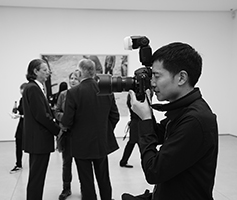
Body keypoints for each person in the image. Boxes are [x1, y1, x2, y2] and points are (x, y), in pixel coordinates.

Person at [122, 42, 218, 200]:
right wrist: (142, 111)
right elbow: (160, 134)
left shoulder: (196, 119)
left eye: (157, 76)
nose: (152, 83)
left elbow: (154, 171)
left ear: (181, 78)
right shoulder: (185, 110)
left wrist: (146, 118)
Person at [61, 58, 120, 200]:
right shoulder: (106, 91)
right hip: (101, 143)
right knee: (104, 179)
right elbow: (115, 116)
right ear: (93, 72)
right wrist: (104, 130)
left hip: (81, 145)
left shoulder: (73, 93)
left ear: (80, 72)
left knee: (86, 182)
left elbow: (67, 121)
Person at [22, 59, 60, 200]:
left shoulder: (36, 87)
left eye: (48, 70)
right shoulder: (33, 88)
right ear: (35, 71)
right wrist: (58, 130)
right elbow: (41, 116)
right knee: (37, 177)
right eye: (44, 70)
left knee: (37, 176)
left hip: (38, 140)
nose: (48, 72)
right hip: (38, 141)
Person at [54, 70, 81, 200]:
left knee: (83, 164)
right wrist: (65, 117)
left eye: (76, 78)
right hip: (67, 134)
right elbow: (56, 111)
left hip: (81, 135)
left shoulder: (83, 94)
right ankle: (66, 188)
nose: (73, 80)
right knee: (66, 163)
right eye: (71, 78)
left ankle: (85, 188)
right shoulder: (63, 95)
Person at [10, 82, 27, 174]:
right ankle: (18, 164)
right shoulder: (22, 99)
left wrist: (21, 115)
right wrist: (16, 112)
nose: (21, 92)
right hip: (22, 124)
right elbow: (21, 111)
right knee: (18, 141)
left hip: (28, 124)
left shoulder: (30, 100)